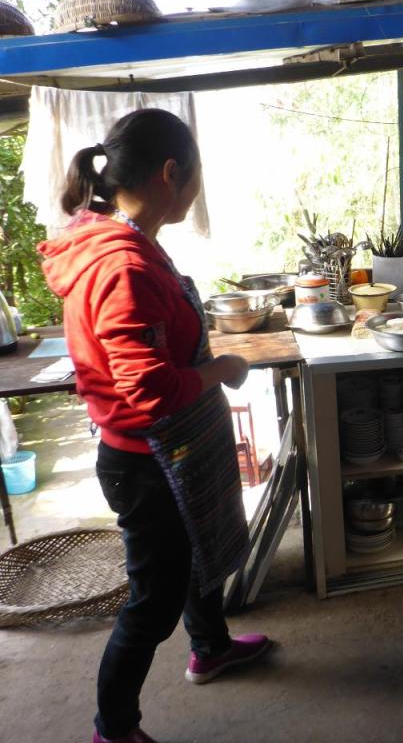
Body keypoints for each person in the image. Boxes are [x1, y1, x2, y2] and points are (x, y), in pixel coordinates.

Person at [39, 109, 270, 743]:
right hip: (146, 458)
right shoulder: (124, 264)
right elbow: (148, 388)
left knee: (196, 555)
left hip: (159, 448)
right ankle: (113, 728)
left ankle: (213, 647)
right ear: (171, 173)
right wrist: (219, 369)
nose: (194, 191)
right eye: (195, 178)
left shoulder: (115, 236)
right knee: (151, 603)